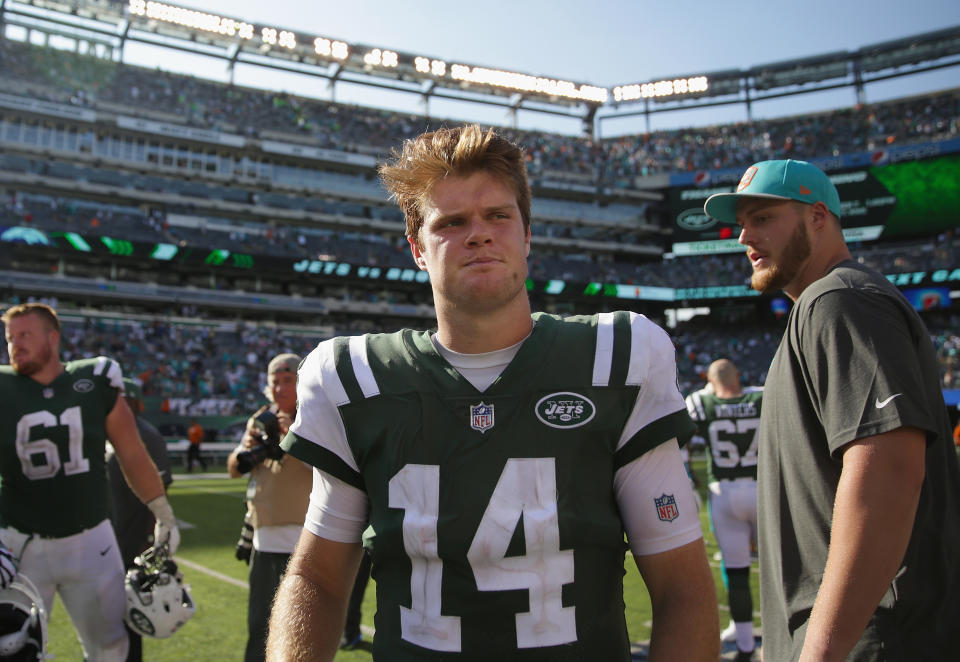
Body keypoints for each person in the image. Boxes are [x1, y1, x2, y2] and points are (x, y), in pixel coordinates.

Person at [267, 125, 718, 662]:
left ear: (527, 234)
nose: (478, 234)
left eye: (498, 216)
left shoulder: (616, 359)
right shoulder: (354, 377)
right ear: (417, 248)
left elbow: (682, 587)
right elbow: (318, 578)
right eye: (452, 222)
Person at [704, 159, 960, 660]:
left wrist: (820, 652)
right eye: (742, 223)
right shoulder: (825, 306)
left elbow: (886, 473)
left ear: (818, 216)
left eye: (762, 218)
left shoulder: (838, 300)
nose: (743, 237)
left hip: (869, 641)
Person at [0, 303, 180, 661]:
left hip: (90, 542)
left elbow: (131, 452)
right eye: (9, 338)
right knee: (12, 646)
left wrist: (162, 511)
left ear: (53, 337)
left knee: (111, 646)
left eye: (25, 335)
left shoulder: (94, 379)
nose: (15, 345)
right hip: (19, 543)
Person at [228, 353, 311, 662]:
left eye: (288, 381)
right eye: (275, 382)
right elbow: (235, 468)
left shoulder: (315, 416)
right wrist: (251, 446)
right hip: (263, 540)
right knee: (258, 627)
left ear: (302, 383)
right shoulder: (261, 418)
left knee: (298, 630)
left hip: (302, 539)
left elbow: (333, 471)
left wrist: (294, 437)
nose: (280, 389)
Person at [685, 359, 761, 661]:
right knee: (779, 570)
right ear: (738, 375)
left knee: (737, 572)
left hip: (724, 493)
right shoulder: (761, 396)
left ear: (711, 381)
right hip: (761, 488)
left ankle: (745, 645)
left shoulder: (702, 401)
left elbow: (683, 426)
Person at [106, 377, 174, 662]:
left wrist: (149, 543)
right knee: (108, 625)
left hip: (131, 543)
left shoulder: (146, 435)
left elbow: (159, 490)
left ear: (133, 403)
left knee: (126, 628)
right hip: (111, 540)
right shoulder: (110, 432)